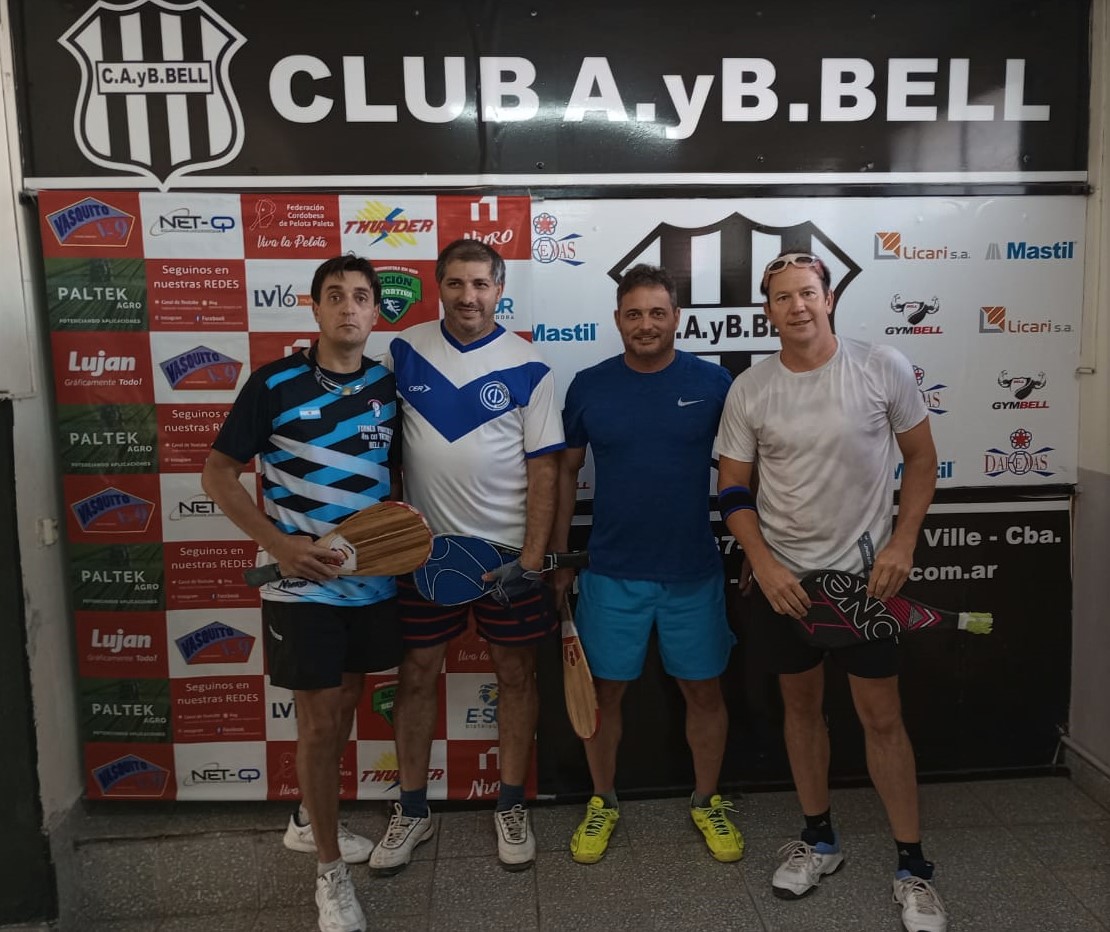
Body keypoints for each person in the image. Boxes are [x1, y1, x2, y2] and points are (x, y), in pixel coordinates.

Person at [715, 252, 947, 932]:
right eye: (783, 297)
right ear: (768, 311)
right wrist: (763, 563)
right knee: (801, 709)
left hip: (865, 582)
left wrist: (903, 543)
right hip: (784, 586)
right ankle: (819, 840)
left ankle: (914, 867)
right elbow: (732, 489)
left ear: (829, 298)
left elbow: (922, 459)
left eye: (808, 293)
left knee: (882, 719)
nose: (798, 306)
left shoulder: (882, 366)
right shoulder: (751, 388)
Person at [202, 254, 401, 932]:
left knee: (343, 706)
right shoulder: (274, 382)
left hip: (370, 585)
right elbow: (218, 473)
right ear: (314, 308)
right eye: (335, 296)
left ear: (375, 312)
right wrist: (281, 546)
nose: (349, 307)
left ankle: (306, 818)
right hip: (299, 586)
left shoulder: (388, 387)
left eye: (361, 297)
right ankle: (329, 873)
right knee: (317, 725)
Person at [368, 239, 564, 875]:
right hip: (423, 554)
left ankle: (510, 803)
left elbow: (545, 470)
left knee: (515, 676)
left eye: (481, 284)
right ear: (438, 286)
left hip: (507, 554)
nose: (468, 296)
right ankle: (412, 809)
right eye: (456, 283)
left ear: (499, 289)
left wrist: (532, 558)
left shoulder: (530, 365)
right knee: (416, 675)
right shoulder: (402, 351)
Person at [550, 263, 743, 865]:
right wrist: (559, 557)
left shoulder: (715, 383)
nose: (646, 324)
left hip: (693, 571)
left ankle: (707, 800)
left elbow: (747, 470)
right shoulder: (589, 385)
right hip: (611, 572)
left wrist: (761, 547)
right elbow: (564, 475)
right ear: (617, 320)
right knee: (604, 697)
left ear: (677, 317)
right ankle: (603, 800)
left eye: (657, 312)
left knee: (704, 693)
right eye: (633, 314)